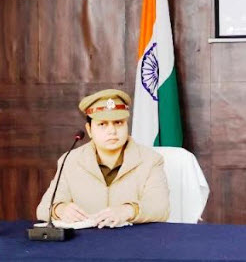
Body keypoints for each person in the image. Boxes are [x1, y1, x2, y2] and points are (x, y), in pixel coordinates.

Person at [36, 89, 170, 227]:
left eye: (118, 122)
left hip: (134, 238)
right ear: (89, 130)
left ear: (127, 125)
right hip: (85, 238)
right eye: (102, 124)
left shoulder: (150, 160)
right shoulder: (70, 160)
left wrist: (127, 211)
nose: (112, 131)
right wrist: (60, 210)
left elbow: (160, 208)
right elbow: (43, 209)